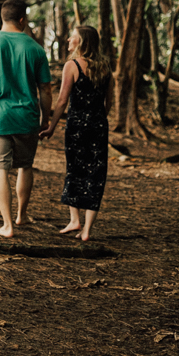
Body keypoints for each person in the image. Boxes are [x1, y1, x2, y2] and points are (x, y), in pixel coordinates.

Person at [0, 0, 52, 237]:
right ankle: (21, 215)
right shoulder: (35, 49)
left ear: (2, 18)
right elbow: (45, 89)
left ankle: (7, 225)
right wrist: (45, 119)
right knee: (25, 166)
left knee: (0, 170)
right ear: (23, 20)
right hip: (27, 117)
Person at [41, 25, 111, 241]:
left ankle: (74, 219)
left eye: (73, 37)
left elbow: (62, 100)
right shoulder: (106, 67)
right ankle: (85, 229)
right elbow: (109, 102)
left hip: (77, 126)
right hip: (99, 125)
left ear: (81, 42)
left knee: (75, 169)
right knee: (96, 174)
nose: (69, 40)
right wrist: (98, 117)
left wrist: (51, 126)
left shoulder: (72, 65)